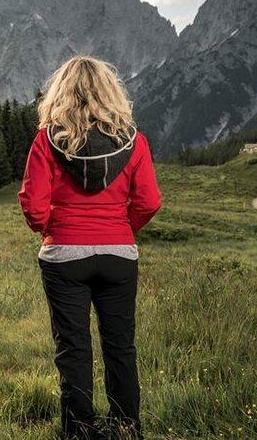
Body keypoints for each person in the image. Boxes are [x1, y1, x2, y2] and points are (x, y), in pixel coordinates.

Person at [19, 55, 162, 439]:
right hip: (119, 256)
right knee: (121, 347)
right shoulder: (135, 142)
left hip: (64, 255)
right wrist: (120, 229)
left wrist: (51, 228)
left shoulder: (47, 141)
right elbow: (149, 201)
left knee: (73, 348)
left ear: (60, 93)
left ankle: (79, 430)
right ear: (109, 92)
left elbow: (33, 205)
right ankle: (127, 427)